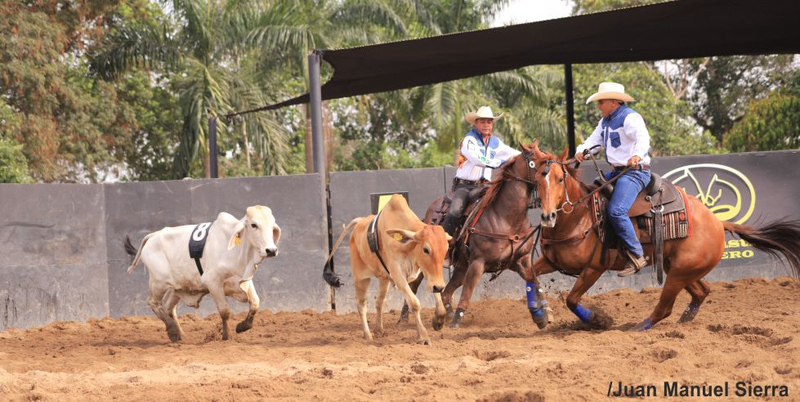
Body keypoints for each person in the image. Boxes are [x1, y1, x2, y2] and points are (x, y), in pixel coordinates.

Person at [575, 82, 652, 277]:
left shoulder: (630, 117)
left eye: (601, 102)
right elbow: (593, 142)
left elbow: (643, 138)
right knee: (590, 194)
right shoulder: (605, 121)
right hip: (618, 172)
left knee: (617, 210)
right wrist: (581, 151)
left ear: (613, 102)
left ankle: (637, 254)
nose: (598, 106)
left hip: (635, 172)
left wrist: (637, 155)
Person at [441, 106, 520, 241]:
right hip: (465, 186)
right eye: (482, 122)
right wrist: (500, 162)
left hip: (485, 186)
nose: (486, 125)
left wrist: (531, 156)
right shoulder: (469, 140)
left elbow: (514, 153)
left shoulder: (495, 142)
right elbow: (477, 159)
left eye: (489, 122)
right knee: (455, 212)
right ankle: (443, 244)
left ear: (492, 124)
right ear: (475, 123)